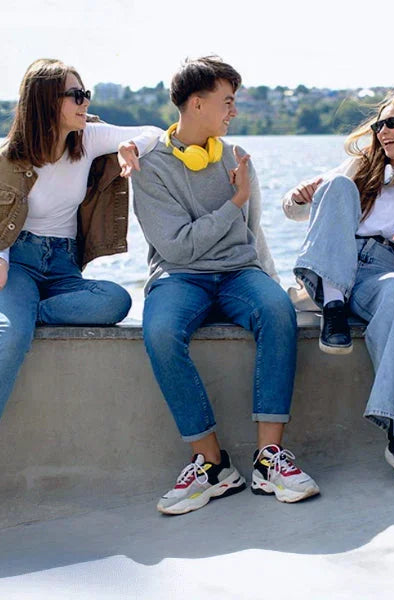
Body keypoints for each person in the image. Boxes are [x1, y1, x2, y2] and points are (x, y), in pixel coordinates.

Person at [0, 58, 158, 521]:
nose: (85, 103)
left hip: (62, 268)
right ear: (46, 102)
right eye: (75, 96)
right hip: (17, 263)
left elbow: (156, 130)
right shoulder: (9, 161)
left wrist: (130, 146)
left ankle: (5, 312)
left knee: (116, 300)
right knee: (12, 339)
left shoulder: (89, 138)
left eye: (86, 95)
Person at [131, 56, 317, 515]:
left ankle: (269, 458)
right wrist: (234, 201)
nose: (233, 112)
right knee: (158, 331)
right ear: (196, 104)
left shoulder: (236, 158)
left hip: (238, 272)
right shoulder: (149, 167)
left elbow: (252, 237)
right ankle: (211, 464)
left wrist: (269, 284)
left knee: (277, 311)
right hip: (180, 275)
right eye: (227, 102)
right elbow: (176, 247)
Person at [282, 93, 394, 487]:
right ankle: (334, 306)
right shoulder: (359, 167)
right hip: (336, 263)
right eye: (379, 125)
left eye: (392, 123)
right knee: (338, 185)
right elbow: (294, 213)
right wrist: (299, 195)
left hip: (384, 269)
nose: (383, 132)